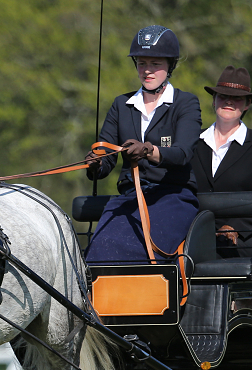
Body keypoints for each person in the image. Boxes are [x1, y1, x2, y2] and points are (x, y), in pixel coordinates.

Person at [84, 25, 202, 264]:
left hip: (173, 196)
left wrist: (148, 150)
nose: (147, 70)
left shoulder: (186, 103)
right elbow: (107, 159)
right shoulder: (121, 105)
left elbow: (182, 154)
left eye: (155, 64)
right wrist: (95, 164)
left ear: (170, 66)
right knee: (98, 251)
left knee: (139, 250)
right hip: (130, 197)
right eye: (141, 63)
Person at [190, 65, 252, 258]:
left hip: (241, 248)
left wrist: (235, 228)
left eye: (237, 98)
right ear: (213, 101)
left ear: (247, 104)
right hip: (191, 243)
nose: (229, 101)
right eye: (222, 96)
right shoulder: (192, 143)